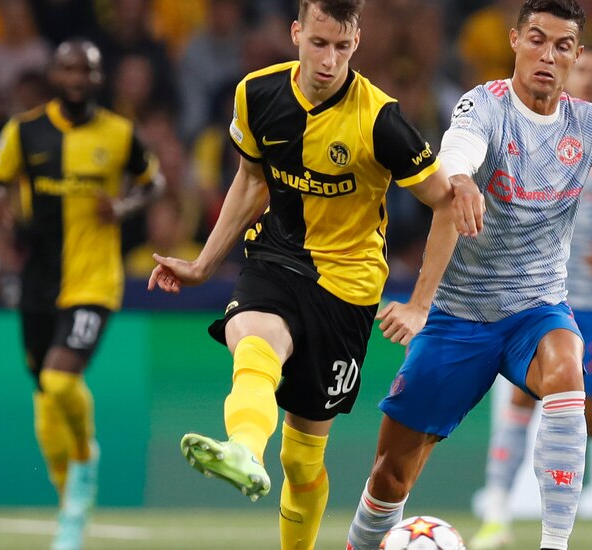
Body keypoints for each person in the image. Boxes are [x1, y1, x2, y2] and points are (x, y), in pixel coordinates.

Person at [345, 2, 592, 549]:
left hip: (535, 309)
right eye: (538, 40)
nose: (548, 54)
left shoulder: (588, 125)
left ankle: (554, 544)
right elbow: (456, 156)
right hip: (458, 316)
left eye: (562, 45)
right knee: (391, 475)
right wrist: (462, 180)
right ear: (515, 40)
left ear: (576, 55)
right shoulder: (484, 106)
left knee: (569, 365)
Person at [145, 1, 482, 549]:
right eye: (319, 44)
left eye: (343, 47)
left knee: (302, 459)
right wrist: (205, 263)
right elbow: (251, 182)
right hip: (275, 258)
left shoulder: (381, 120)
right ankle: (243, 450)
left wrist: (420, 304)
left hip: (346, 289)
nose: (329, 60)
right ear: (296, 32)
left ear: (357, 41)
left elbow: (445, 203)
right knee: (253, 339)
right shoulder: (256, 94)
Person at [467, 46, 592, 550]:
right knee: (523, 391)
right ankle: (495, 511)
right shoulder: (530, 130)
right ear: (565, 71)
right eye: (584, 69)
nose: (591, 79)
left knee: (590, 420)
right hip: (536, 292)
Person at [0, 39, 163, 550]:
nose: (77, 77)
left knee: (61, 381)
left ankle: (86, 460)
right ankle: (70, 504)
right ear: (54, 75)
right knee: (44, 396)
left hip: (94, 280)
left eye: (86, 69)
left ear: (98, 78)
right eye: (68, 69)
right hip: (39, 282)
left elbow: (154, 182)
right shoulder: (25, 130)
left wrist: (125, 207)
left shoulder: (119, 133)